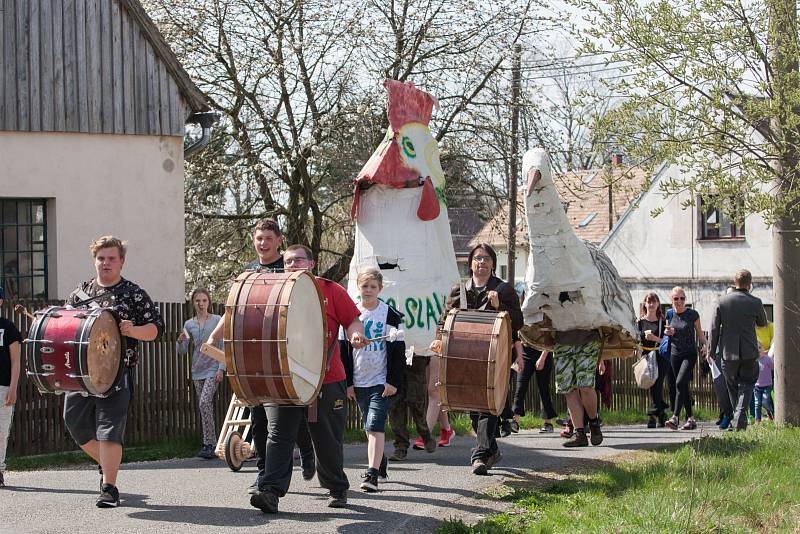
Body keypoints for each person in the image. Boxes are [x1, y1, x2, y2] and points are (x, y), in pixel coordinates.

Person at [249, 244, 367, 513]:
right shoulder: (274, 292)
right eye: (288, 261)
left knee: (326, 439)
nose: (291, 265)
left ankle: (337, 488)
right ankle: (270, 492)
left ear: (311, 264)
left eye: (298, 260)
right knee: (278, 435)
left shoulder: (330, 290)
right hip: (285, 380)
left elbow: (352, 321)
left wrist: (355, 335)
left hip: (326, 378)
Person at [206, 218, 314, 492]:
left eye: (268, 238)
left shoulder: (290, 268)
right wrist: (215, 335)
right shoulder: (249, 272)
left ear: (279, 240)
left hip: (286, 351)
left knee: (292, 413)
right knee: (260, 419)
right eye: (259, 238)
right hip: (256, 355)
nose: (263, 243)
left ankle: (307, 449)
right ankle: (264, 475)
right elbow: (235, 309)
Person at [63, 236, 164, 507]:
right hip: (82, 374)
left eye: (111, 258)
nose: (105, 263)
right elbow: (66, 325)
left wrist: (133, 330)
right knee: (74, 423)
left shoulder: (133, 293)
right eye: (101, 258)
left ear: (121, 261)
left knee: (109, 429)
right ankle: (108, 463)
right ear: (95, 260)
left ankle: (109, 487)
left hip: (118, 374)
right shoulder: (79, 294)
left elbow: (155, 329)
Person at [430, 243, 523, 475]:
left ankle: (480, 454)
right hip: (464, 356)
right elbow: (445, 320)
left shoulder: (504, 290)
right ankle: (490, 449)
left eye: (486, 259)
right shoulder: (459, 291)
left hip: (496, 356)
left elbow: (518, 323)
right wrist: (439, 339)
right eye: (478, 258)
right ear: (470, 264)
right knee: (474, 405)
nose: (482, 262)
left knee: (487, 404)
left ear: (492, 264)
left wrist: (498, 305)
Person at [342, 268, 404, 492]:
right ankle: (380, 461)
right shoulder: (351, 314)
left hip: (381, 381)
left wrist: (392, 381)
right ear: (358, 288)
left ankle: (372, 475)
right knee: (369, 428)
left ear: (380, 289)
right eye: (364, 286)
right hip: (359, 381)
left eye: (372, 287)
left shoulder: (390, 315)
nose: (368, 290)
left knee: (375, 425)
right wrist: (348, 382)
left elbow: (398, 351)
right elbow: (342, 351)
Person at [709, 269, 768, 431]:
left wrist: (711, 351)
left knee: (733, 387)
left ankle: (737, 421)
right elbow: (763, 323)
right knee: (748, 385)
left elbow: (713, 329)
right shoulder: (755, 302)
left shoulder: (721, 302)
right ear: (749, 284)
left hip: (728, 354)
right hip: (749, 352)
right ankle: (739, 420)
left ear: (734, 282)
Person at [177, 288, 224, 459]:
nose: (201, 303)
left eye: (204, 300)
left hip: (213, 368)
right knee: (205, 407)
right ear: (193, 303)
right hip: (197, 370)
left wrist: (221, 368)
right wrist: (180, 341)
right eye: (198, 301)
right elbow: (182, 350)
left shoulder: (218, 320)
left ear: (208, 302)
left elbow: (223, 345)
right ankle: (208, 443)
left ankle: (210, 443)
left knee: (204, 403)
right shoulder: (189, 324)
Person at [663, 286, 707, 431]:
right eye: (676, 298)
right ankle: (690, 419)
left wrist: (706, 346)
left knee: (680, 382)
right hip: (675, 354)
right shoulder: (669, 313)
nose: (679, 301)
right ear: (671, 300)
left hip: (689, 354)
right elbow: (667, 330)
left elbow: (700, 334)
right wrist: (668, 332)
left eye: (682, 298)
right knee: (682, 386)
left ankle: (675, 417)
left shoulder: (693, 314)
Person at [637, 292, 673, 428]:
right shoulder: (640, 322)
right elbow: (635, 339)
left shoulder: (663, 322)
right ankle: (661, 411)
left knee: (657, 383)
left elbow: (668, 341)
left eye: (654, 302)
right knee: (651, 383)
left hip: (660, 356)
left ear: (658, 304)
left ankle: (653, 414)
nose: (651, 304)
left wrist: (655, 339)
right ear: (645, 304)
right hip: (646, 355)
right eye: (649, 301)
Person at [0, 286, 22, 488]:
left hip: (3, 387)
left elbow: (16, 361)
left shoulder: (8, 328)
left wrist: (13, 388)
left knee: (1, 431)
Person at [512, 346, 558, 434]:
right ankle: (515, 422)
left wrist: (542, 358)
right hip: (525, 353)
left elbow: (549, 339)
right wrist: (519, 355)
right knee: (520, 387)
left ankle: (548, 423)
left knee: (544, 389)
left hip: (543, 353)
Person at [754, 343, 774, 424]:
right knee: (757, 404)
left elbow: (773, 366)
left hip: (767, 385)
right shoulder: (754, 361)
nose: (758, 350)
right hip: (757, 386)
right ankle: (757, 420)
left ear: (763, 349)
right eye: (756, 348)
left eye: (760, 347)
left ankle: (771, 414)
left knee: (766, 401)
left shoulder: (767, 359)